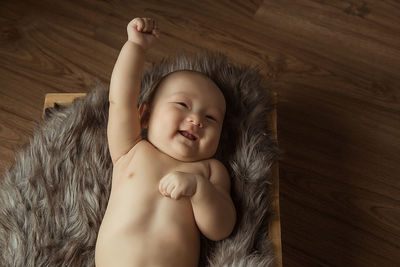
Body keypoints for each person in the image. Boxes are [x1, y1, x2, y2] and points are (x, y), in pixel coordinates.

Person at [95, 17, 236, 267]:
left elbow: (221, 228)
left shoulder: (209, 171)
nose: (196, 120)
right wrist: (135, 47)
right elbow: (121, 99)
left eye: (211, 117)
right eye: (182, 105)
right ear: (146, 115)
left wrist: (200, 189)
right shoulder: (131, 149)